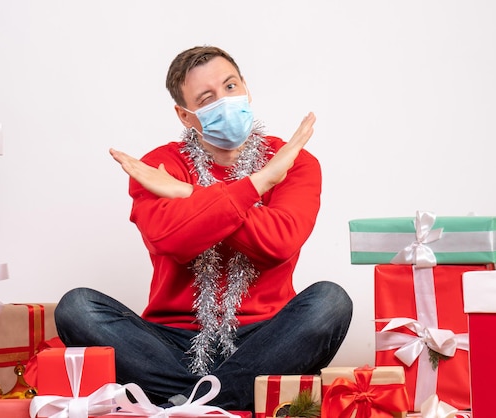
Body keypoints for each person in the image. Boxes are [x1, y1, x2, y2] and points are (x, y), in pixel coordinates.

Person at [55, 45, 352, 411]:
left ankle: (185, 404)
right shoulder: (157, 166)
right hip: (171, 342)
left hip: (265, 339)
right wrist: (257, 185)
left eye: (230, 87)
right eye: (207, 98)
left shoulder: (292, 161)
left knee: (330, 302)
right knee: (77, 308)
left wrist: (186, 194)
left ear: (246, 87)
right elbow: (172, 240)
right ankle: (220, 400)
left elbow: (280, 241)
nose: (226, 101)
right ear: (185, 115)